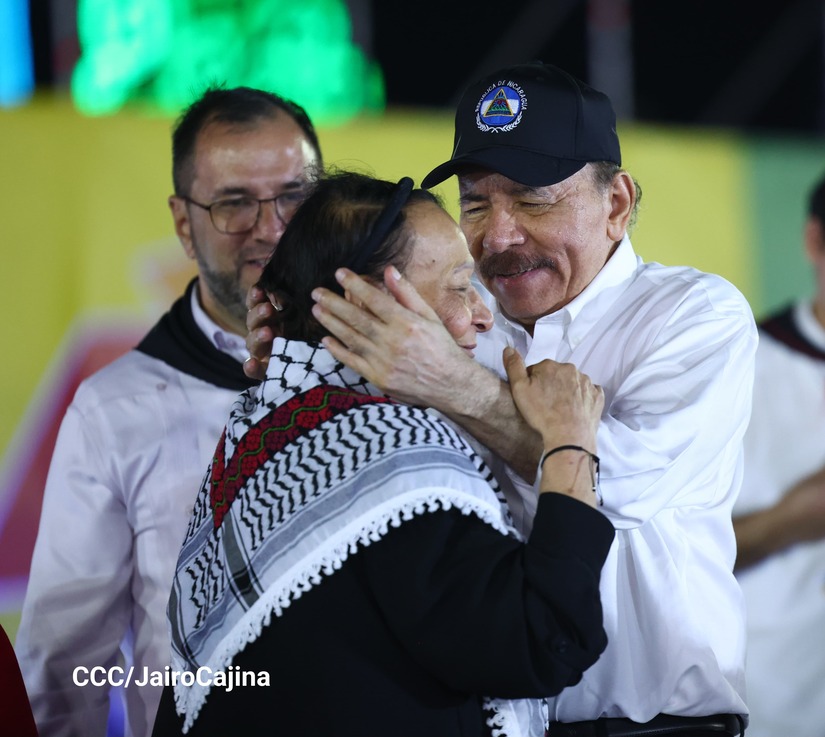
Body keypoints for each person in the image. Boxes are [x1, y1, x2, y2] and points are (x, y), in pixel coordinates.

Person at [246, 62, 756, 736]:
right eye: (476, 204)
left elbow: (622, 486)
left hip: (662, 727)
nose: (499, 235)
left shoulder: (693, 314)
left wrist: (452, 385)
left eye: (532, 199)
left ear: (616, 203)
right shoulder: (458, 313)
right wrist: (300, 348)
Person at [151, 171, 615, 737]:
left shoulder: (272, 422)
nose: (483, 314)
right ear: (367, 306)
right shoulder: (387, 454)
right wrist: (569, 441)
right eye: (459, 286)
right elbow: (545, 641)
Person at [15, 86, 322, 737]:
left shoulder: (400, 371)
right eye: (234, 203)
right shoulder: (114, 411)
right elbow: (68, 668)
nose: (272, 228)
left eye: (295, 196)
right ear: (183, 223)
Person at [731, 173, 825, 737]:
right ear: (815, 241)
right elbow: (663, 559)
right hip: (771, 709)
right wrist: (795, 518)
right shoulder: (739, 369)